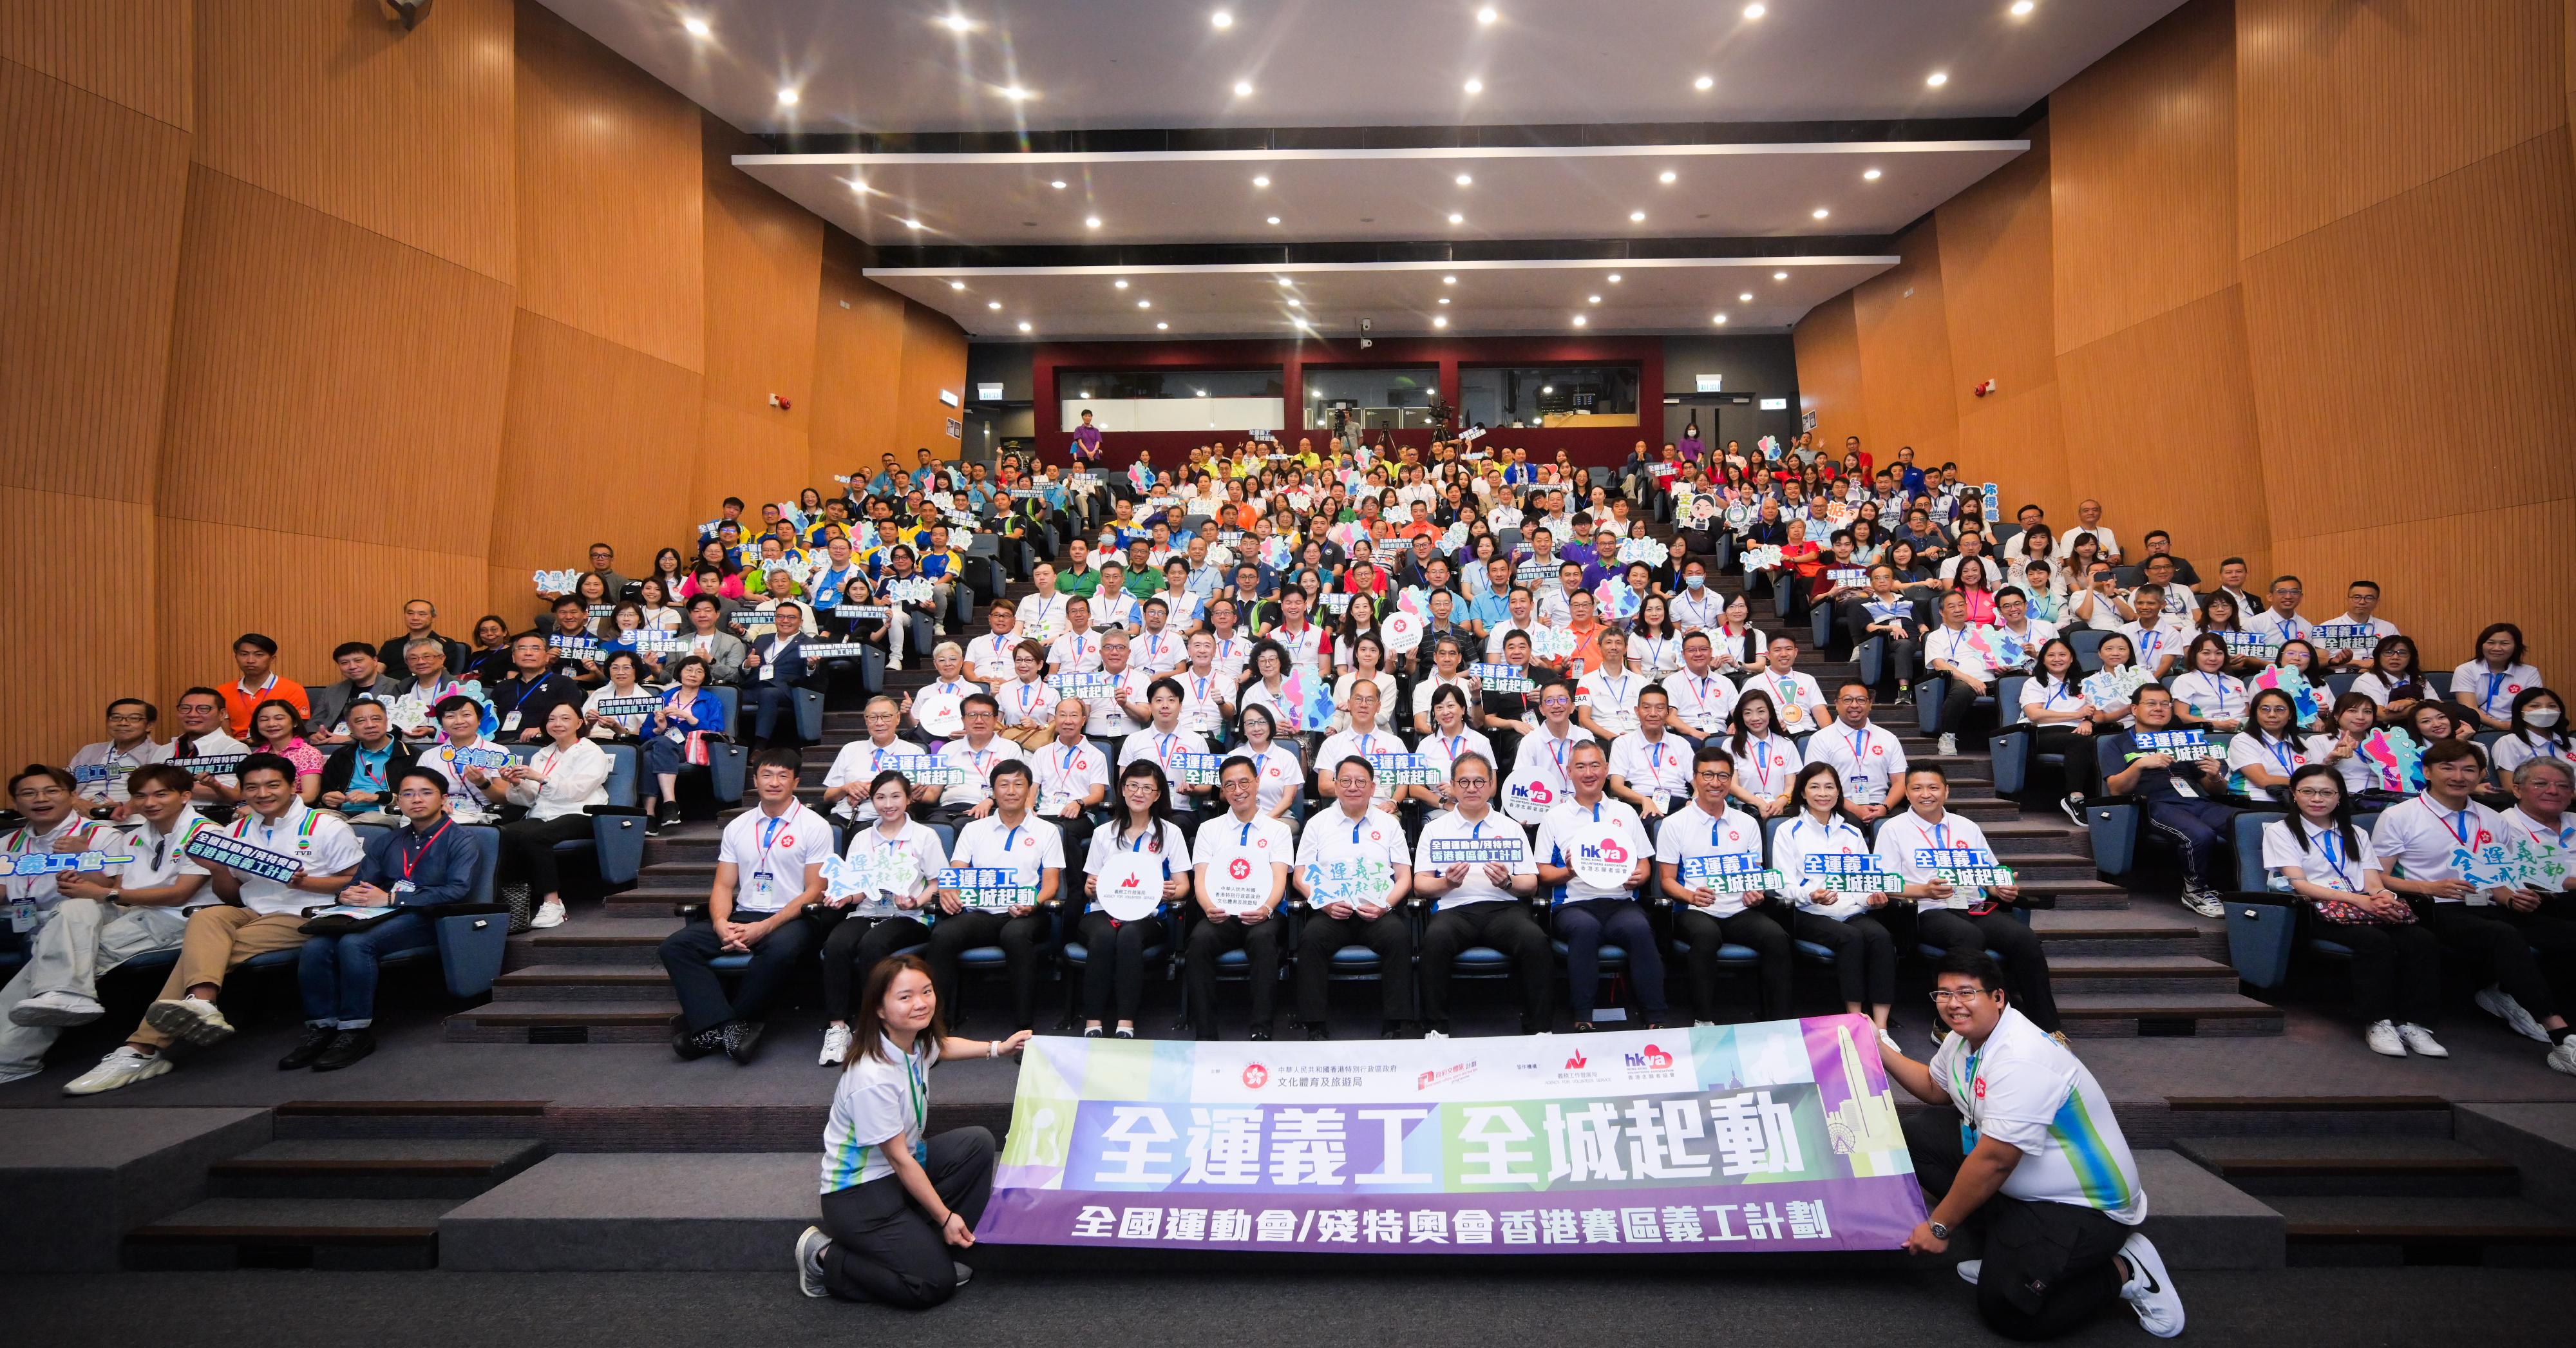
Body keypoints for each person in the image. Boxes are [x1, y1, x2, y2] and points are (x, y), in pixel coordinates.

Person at [1883, 953, 2182, 1341]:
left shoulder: (2022, 1057)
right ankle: (2008, 1254)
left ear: (1998, 998)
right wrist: (1878, 1049)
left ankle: (2126, 1269)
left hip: (2084, 1206)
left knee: (2009, 1311)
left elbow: (1995, 1161)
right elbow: (1936, 1089)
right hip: (2026, 1184)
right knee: (1919, 1138)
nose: (1953, 1003)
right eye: (1943, 993)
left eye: (1967, 992)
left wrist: (1940, 1226)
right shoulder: (1963, 1039)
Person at [64, 754, 364, 1095]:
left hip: (308, 912)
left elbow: (349, 883)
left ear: (292, 786)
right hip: (251, 910)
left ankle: (143, 1047)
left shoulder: (325, 825)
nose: (262, 793)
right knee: (207, 916)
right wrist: (217, 869)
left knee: (204, 951)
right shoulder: (235, 831)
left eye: (272, 785)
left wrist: (300, 883)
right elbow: (232, 895)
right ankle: (200, 1005)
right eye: (252, 787)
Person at [797, 954, 1030, 1309]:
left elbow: (943, 1046)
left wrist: (999, 1048)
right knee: (932, 1285)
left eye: (927, 991)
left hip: (894, 1175)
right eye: (905, 997)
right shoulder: (871, 1077)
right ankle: (824, 1258)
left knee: (976, 1142)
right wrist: (946, 1216)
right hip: (858, 1195)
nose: (921, 1003)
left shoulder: (910, 1041)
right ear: (879, 1008)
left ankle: (926, 1245)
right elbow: (901, 1161)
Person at [2374, 739, 2576, 1075]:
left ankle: (2522, 998)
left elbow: (2498, 879)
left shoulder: (2492, 819)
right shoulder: (2399, 816)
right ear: (2427, 772)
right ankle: (2562, 1037)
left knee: (2566, 934)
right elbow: (2377, 878)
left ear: (2481, 773)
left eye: (2469, 769)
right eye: (2448, 768)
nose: (2459, 776)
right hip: (2432, 907)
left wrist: (2513, 897)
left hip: (2486, 904)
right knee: (2504, 935)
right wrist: (2428, 886)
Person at [0, 765, 209, 1083]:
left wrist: (95, 878)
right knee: (75, 911)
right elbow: (118, 890)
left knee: (56, 959)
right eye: (140, 796)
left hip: (174, 921)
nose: (149, 802)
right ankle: (63, 996)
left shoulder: (205, 832)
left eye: (160, 794)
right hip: (131, 915)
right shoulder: (138, 836)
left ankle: (12, 1057)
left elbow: (178, 895)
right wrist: (101, 891)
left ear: (185, 796)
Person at [281, 766, 481, 1072]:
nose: (416, 800)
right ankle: (321, 1027)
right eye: (408, 794)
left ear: (443, 799)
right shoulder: (389, 839)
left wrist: (392, 898)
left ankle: (354, 1031)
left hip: (427, 916)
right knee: (316, 947)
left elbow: (457, 891)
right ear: (398, 801)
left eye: (426, 793)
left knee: (355, 945)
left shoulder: (461, 839)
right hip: (377, 912)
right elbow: (361, 881)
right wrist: (347, 896)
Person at [659, 750, 836, 1063]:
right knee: (676, 946)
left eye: (783, 776)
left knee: (779, 951)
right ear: (755, 780)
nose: (774, 782)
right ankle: (727, 1028)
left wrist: (765, 927)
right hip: (745, 913)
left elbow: (815, 891)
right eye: (767, 775)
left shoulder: (815, 826)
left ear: (795, 781)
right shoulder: (737, 826)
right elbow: (723, 886)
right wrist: (720, 923)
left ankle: (712, 1029)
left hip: (793, 917)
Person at [2263, 765, 2443, 1058]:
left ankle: (2415, 1023)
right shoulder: (2281, 831)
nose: (2317, 799)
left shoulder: (2356, 832)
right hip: (2316, 911)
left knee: (2421, 939)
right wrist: (2358, 901)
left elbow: (2373, 881)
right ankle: (2377, 1021)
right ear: (2294, 795)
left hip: (2363, 906)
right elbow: (2299, 884)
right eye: (2308, 791)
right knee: (2374, 941)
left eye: (2326, 793)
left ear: (2339, 797)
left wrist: (2383, 898)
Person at [1880, 764, 2062, 1036]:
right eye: (1917, 788)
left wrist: (1999, 889)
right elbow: (1885, 883)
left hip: (1973, 904)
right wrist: (1924, 890)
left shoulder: (1966, 826)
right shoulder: (1893, 829)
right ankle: (1949, 1023)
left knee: (2024, 938)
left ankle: (2046, 1027)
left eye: (1933, 788)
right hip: (1926, 909)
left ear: (1946, 791)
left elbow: (1990, 873)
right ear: (1906, 793)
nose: (1925, 794)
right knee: (1968, 937)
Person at [1761, 764, 1901, 1047]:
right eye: (1815, 787)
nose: (1822, 793)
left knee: (1881, 937)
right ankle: (1856, 1020)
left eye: (1829, 787)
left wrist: (1871, 897)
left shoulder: (1851, 833)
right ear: (1802, 791)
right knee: (1850, 938)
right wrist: (1812, 894)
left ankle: (1882, 1027)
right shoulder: (1788, 831)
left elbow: (1865, 879)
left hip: (1850, 909)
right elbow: (1782, 883)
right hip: (1808, 911)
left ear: (1839, 792)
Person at [817, 772, 951, 1066]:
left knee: (872, 946)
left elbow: (938, 881)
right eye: (880, 797)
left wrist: (916, 901)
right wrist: (844, 897)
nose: (888, 804)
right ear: (872, 800)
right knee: (837, 944)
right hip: (867, 910)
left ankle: (879, 1028)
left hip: (908, 916)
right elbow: (856, 889)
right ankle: (838, 1028)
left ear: (908, 799)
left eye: (895, 796)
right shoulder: (863, 837)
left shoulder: (924, 836)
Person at [1411, 752, 1548, 1038]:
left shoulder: (1511, 828)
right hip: (1455, 910)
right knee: (1434, 941)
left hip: (1504, 909)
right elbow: (1420, 885)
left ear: (1490, 785)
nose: (1472, 788)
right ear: (1452, 785)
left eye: (1478, 782)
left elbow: (1531, 884)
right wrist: (1446, 884)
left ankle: (1540, 1029)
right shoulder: (1435, 829)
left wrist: (1508, 883)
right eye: (1464, 782)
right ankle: (1436, 1029)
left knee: (1535, 940)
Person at [922, 759, 1063, 1034]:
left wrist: (1033, 903)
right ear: (993, 791)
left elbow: (1051, 884)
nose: (1011, 791)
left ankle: (1024, 1028)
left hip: (1025, 912)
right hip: (981, 913)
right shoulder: (974, 829)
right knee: (943, 935)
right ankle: (938, 1026)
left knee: (1015, 936)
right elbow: (956, 873)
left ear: (1028, 790)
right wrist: (950, 891)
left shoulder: (1046, 831)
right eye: (1004, 785)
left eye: (1019, 784)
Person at [1533, 741, 1665, 1032]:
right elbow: (1542, 873)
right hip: (1573, 906)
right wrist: (1568, 872)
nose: (1588, 772)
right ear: (1569, 772)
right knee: (1585, 929)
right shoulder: (1554, 817)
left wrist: (1639, 877)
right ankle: (1583, 1017)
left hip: (1620, 902)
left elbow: (1644, 864)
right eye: (1580, 766)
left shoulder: (1625, 813)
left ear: (1606, 770)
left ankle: (1656, 1017)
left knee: (1640, 930)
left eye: (1595, 765)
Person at [1656, 746, 1794, 1025]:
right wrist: (1691, 896)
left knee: (1776, 937)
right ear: (1695, 778)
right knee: (1706, 937)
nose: (1715, 782)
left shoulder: (1747, 823)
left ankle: (1779, 1021)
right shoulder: (1674, 824)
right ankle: (1703, 1020)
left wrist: (1755, 893)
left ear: (1731, 781)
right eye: (1707, 775)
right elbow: (1667, 881)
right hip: (1694, 910)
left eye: (1723, 776)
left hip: (1738, 909)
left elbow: (1754, 874)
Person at [1292, 756, 1416, 1038]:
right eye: (1345, 781)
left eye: (1361, 782)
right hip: (1332, 910)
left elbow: (1404, 877)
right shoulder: (1318, 824)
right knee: (1310, 940)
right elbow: (1300, 876)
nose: (1353, 787)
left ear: (1373, 788)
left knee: (1398, 937)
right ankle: (1315, 1027)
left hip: (1377, 911)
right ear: (1335, 786)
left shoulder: (1388, 824)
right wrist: (1323, 903)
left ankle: (1395, 1026)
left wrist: (1385, 906)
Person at [2098, 685, 2239, 917]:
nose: (2159, 708)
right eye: (2151, 703)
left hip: (2194, 801)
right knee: (2200, 835)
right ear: (2134, 709)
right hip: (2153, 804)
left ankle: (2254, 890)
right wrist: (2140, 764)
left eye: (2165, 704)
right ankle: (2195, 891)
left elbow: (2216, 790)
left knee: (2242, 824)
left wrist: (2216, 776)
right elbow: (2115, 789)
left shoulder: (2184, 740)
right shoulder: (2117, 743)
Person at [1182, 757, 1296, 1040]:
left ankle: (1261, 1029)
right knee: (1199, 941)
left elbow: (1280, 877)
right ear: (1222, 791)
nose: (1238, 790)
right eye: (1229, 785)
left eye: (1244, 782)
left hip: (1264, 913)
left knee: (1263, 940)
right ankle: (1206, 1033)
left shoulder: (1278, 830)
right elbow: (1201, 877)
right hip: (1221, 913)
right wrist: (1209, 908)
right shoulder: (1210, 829)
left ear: (1257, 783)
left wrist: (1267, 909)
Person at [480, 702, 611, 930]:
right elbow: (529, 799)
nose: (557, 724)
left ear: (579, 723)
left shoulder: (591, 751)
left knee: (536, 836)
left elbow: (576, 792)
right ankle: (515, 900)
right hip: (544, 813)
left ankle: (553, 902)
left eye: (565, 719)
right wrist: (517, 783)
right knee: (504, 835)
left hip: (581, 813)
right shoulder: (543, 754)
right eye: (552, 719)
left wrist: (541, 778)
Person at [2015, 639, 2099, 825]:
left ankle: (2106, 802)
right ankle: (2075, 797)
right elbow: (2035, 714)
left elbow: (2095, 711)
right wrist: (2078, 714)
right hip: (2039, 734)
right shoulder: (2034, 683)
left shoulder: (2085, 685)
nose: (2057, 659)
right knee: (2078, 741)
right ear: (2043, 659)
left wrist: (2088, 721)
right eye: (2051, 655)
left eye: (2062, 655)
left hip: (2076, 733)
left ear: (2071, 659)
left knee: (2099, 742)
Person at [640, 655, 724, 833]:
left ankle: (650, 815)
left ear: (705, 677)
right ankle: (669, 806)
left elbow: (717, 730)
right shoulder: (663, 698)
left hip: (693, 748)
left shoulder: (711, 700)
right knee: (659, 745)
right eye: (688, 670)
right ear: (680, 672)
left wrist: (690, 718)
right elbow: (644, 733)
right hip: (664, 746)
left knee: (649, 755)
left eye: (699, 671)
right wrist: (659, 728)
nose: (693, 674)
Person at [1806, 683, 1909, 822]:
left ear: (1870, 704)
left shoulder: (1888, 738)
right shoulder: (1821, 739)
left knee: (1904, 821)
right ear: (1836, 704)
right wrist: (1856, 809)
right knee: (1846, 821)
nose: (1854, 705)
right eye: (1847, 700)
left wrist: (1885, 807)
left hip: (1882, 805)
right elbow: (1818, 784)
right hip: (1839, 805)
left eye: (1861, 700)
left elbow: (1900, 782)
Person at [743, 602, 826, 748]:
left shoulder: (810, 644)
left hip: (785, 690)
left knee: (769, 693)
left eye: (791, 617)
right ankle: (730, 743)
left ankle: (759, 747)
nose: (785, 621)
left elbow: (814, 680)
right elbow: (744, 670)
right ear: (775, 619)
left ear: (801, 622)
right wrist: (747, 665)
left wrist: (811, 666)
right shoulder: (762, 639)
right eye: (780, 617)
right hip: (756, 686)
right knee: (729, 694)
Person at [317, 699, 417, 817]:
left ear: (387, 721)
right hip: (341, 812)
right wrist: (326, 797)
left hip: (384, 813)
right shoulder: (342, 755)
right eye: (360, 721)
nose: (370, 725)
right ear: (350, 727)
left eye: (376, 719)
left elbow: (417, 796)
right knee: (313, 820)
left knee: (363, 824)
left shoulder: (410, 755)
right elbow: (324, 790)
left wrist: (377, 797)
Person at [70, 699, 171, 814]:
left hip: (131, 819)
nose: (123, 723)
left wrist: (126, 805)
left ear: (149, 726)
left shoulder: (160, 753)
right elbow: (64, 785)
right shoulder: (90, 751)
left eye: (134, 718)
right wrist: (76, 801)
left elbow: (163, 794)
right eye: (116, 717)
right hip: (81, 817)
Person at [308, 642, 405, 746]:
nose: (352, 667)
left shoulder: (396, 687)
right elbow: (315, 722)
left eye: (358, 661)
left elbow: (396, 726)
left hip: (371, 745)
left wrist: (351, 738)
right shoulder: (332, 690)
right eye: (345, 663)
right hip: (328, 743)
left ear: (375, 661)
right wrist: (313, 735)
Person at [218, 633, 311, 738]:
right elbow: (222, 731)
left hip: (277, 746)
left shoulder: (293, 690)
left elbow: (298, 730)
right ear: (236, 657)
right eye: (244, 654)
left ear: (272, 659)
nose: (250, 661)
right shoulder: (222, 692)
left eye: (259, 655)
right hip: (236, 748)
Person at [2452, 623, 2543, 731]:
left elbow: (2534, 707)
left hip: (2520, 726)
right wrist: (2500, 726)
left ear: (2516, 646)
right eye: (2491, 643)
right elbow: (2469, 708)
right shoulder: (2465, 670)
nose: (2497, 648)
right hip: (2478, 727)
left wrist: (2517, 725)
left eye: (2505, 643)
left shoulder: (2530, 672)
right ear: (2481, 645)